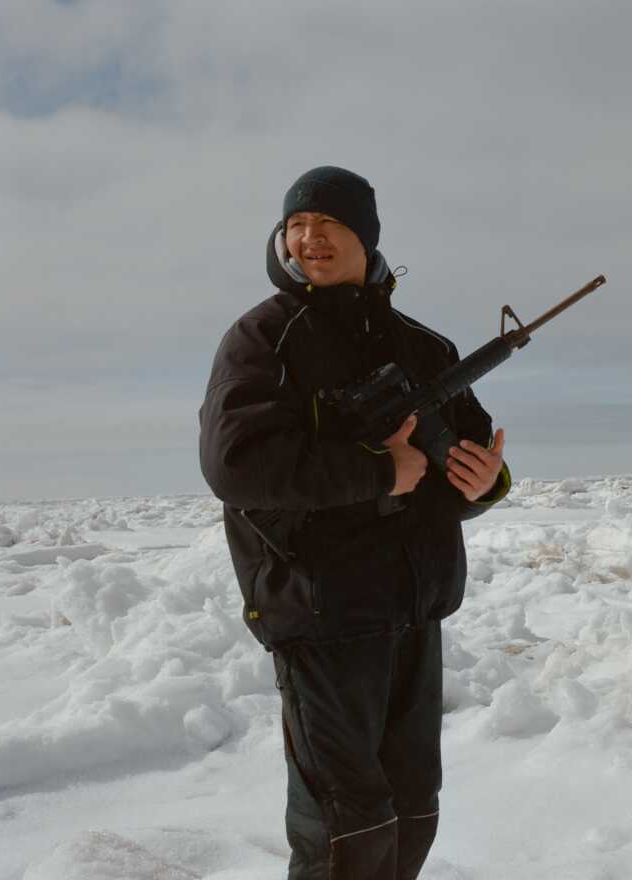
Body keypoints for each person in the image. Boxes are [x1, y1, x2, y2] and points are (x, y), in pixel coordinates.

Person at [199, 166, 512, 879]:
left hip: (414, 611)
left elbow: (464, 454)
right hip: (321, 614)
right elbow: (235, 465)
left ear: (366, 240)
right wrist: (375, 470)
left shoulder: (425, 348)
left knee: (412, 808)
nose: (309, 239)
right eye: (297, 226)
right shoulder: (262, 339)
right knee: (347, 826)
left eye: (328, 225)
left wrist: (482, 484)